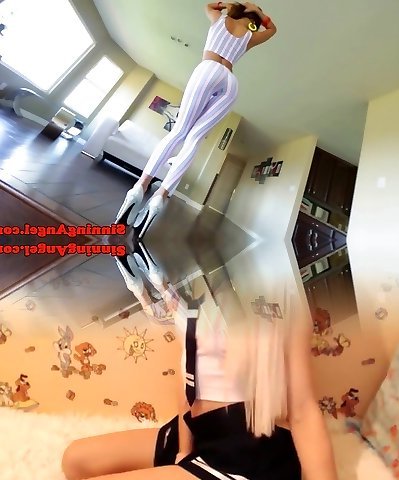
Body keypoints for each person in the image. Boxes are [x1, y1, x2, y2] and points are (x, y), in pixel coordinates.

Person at [61, 239, 339, 480]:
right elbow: (188, 373)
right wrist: (184, 450)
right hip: (199, 432)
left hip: (246, 449)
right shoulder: (190, 282)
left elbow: (302, 409)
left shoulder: (277, 292)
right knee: (75, 461)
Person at [115, 2, 278, 238]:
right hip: (230, 83)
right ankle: (161, 196)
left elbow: (211, 5)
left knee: (179, 132)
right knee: (195, 138)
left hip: (208, 70)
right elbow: (272, 30)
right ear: (254, 18)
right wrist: (259, 14)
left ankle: (141, 186)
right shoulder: (250, 36)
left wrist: (233, 5)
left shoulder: (220, 19)